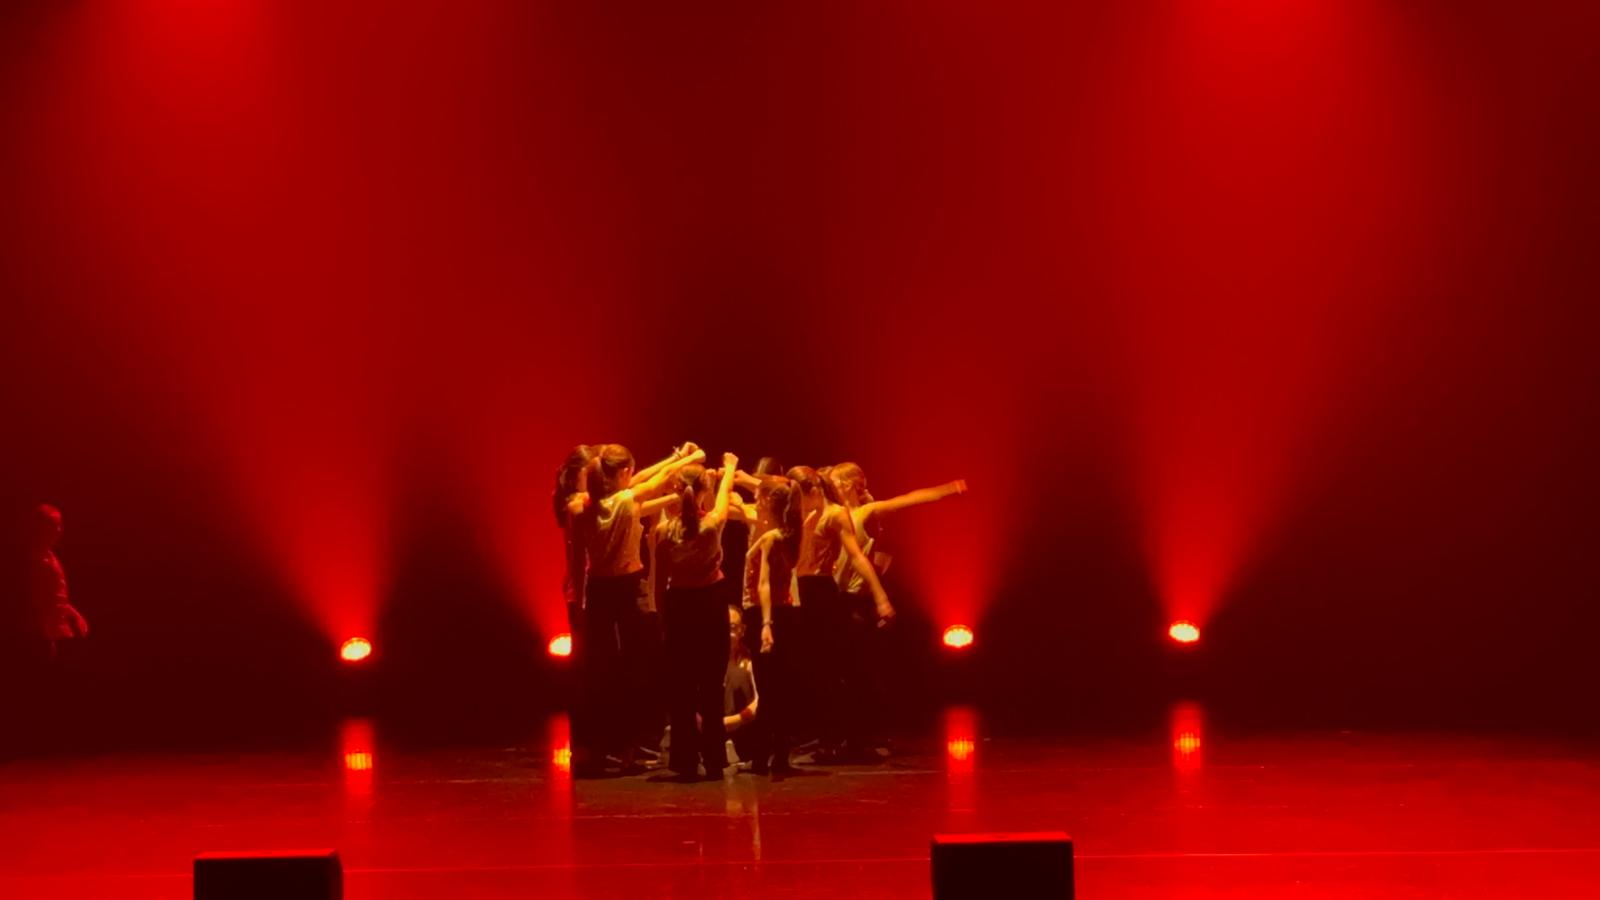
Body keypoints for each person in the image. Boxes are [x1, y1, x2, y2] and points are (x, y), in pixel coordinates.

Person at [573, 443, 705, 776]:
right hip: (626, 589)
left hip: (598, 589)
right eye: (629, 472)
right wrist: (690, 458)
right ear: (622, 474)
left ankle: (601, 748)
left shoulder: (585, 504)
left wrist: (579, 599)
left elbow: (645, 479)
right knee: (633, 668)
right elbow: (656, 480)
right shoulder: (626, 500)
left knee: (601, 669)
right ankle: (629, 747)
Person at [826, 464, 967, 759]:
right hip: (836, 598)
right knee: (841, 672)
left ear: (849, 485)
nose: (833, 487)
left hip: (855, 601)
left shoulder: (866, 512)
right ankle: (846, 737)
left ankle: (860, 737)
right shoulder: (834, 514)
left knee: (855, 671)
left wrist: (947, 489)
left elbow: (908, 499)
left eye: (837, 482)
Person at [786, 466, 890, 760]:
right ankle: (828, 737)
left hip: (821, 592)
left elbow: (856, 556)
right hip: (803, 592)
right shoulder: (805, 514)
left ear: (815, 491)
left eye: (799, 496)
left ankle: (845, 740)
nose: (797, 503)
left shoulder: (834, 515)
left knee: (833, 671)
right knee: (816, 672)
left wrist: (880, 596)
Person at [655, 453, 739, 780]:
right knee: (711, 685)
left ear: (677, 491)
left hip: (679, 606)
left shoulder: (664, 531)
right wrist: (729, 468)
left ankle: (685, 759)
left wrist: (663, 618)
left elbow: (660, 582)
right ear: (704, 489)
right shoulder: (711, 524)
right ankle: (715, 759)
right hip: (710, 604)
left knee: (683, 687)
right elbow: (723, 497)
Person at [743, 481, 803, 775]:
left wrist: (766, 624)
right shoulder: (786, 534)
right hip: (782, 613)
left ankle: (765, 756)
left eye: (758, 496)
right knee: (778, 687)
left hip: (768, 613)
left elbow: (764, 584)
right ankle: (776, 754)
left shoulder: (771, 537)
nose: (755, 501)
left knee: (769, 688)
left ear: (768, 501)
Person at [723, 604, 761, 766]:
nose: (727, 634)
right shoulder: (704, 660)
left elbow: (760, 701)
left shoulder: (750, 660)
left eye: (732, 628)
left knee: (739, 675)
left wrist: (734, 721)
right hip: (711, 730)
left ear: (742, 630)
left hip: (742, 730)